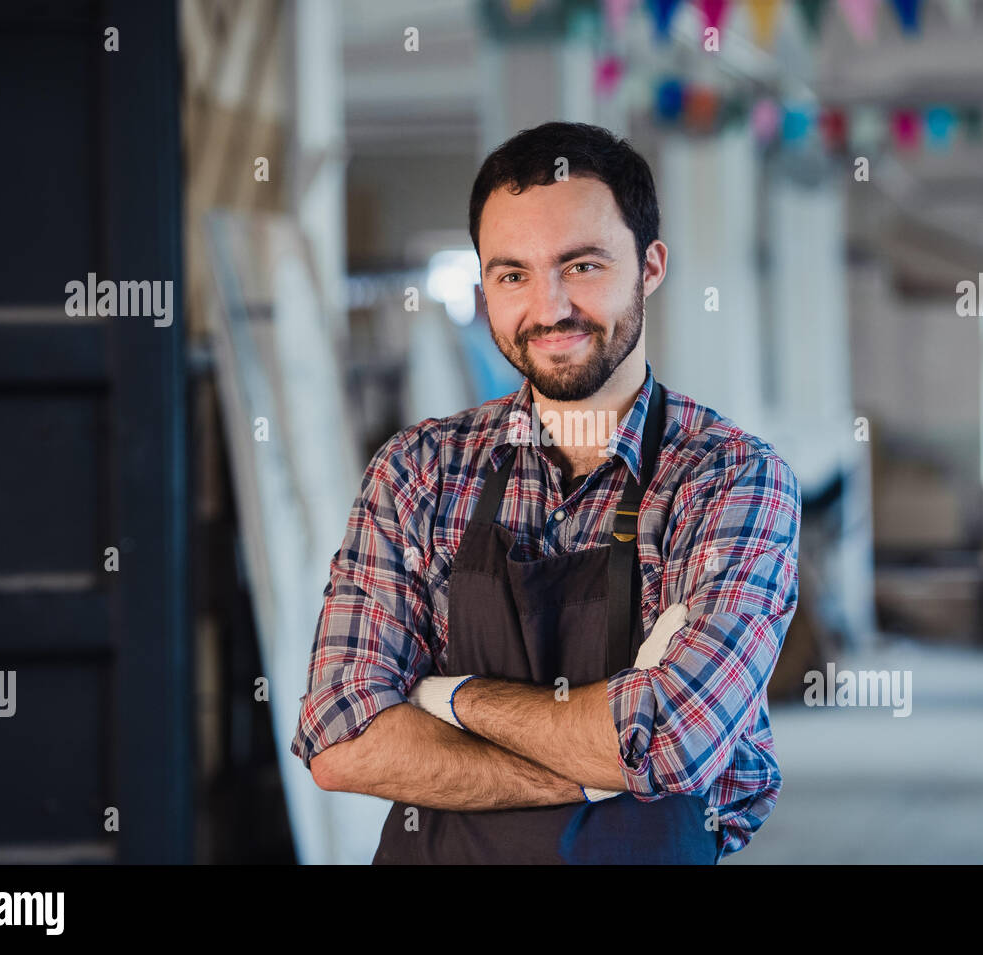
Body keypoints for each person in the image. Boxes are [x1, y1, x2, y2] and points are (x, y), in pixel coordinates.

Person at [291, 121, 802, 864]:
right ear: (483, 289)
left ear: (651, 265)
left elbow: (673, 738)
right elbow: (340, 736)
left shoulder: (728, 479)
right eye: (512, 275)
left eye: (583, 265)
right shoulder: (419, 469)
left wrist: (448, 696)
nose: (549, 306)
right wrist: (601, 766)